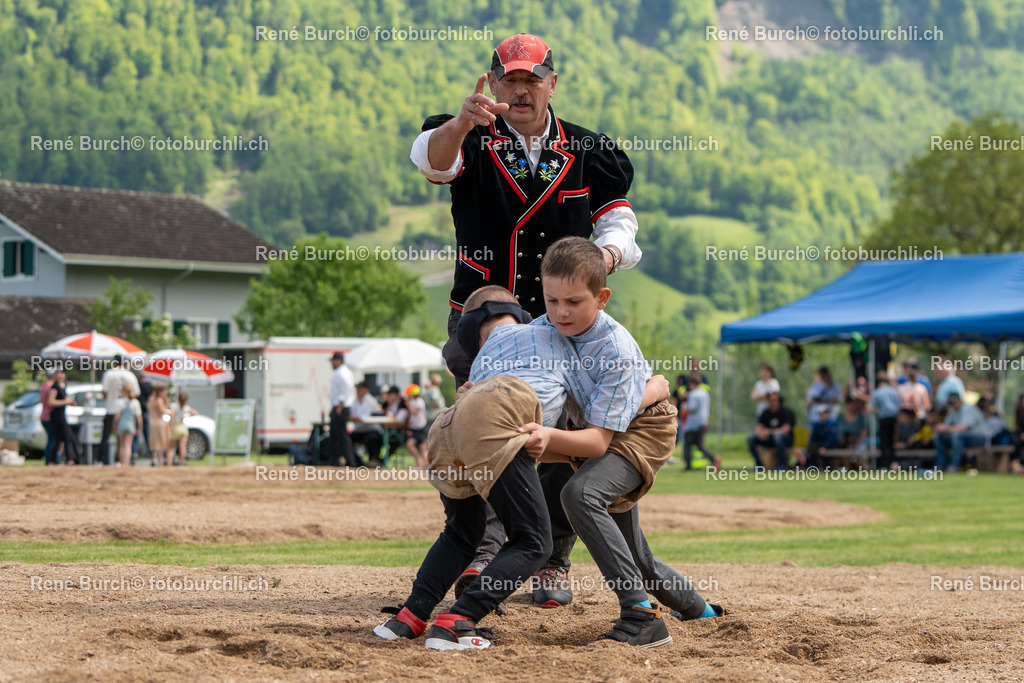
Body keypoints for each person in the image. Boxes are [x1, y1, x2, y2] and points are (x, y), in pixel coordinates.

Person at [413, 33, 643, 609]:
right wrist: (460, 123)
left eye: (531, 80)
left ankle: (552, 560)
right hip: (485, 315)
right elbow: (433, 164)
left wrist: (604, 257)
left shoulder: (588, 149)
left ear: (551, 84)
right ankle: (486, 552)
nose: (520, 90)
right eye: (509, 79)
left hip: (563, 318)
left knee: (560, 437)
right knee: (482, 429)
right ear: (493, 82)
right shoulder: (468, 134)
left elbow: (618, 221)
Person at [372, 287, 592, 650]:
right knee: (534, 541)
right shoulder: (552, 335)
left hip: (448, 425)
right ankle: (458, 621)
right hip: (497, 417)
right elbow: (585, 405)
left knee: (462, 532)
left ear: (470, 328)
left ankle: (408, 617)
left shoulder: (481, 358)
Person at [529, 237, 724, 646]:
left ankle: (641, 615)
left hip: (642, 430)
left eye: (574, 302)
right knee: (634, 556)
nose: (561, 312)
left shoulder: (615, 348)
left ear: (602, 298)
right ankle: (701, 610)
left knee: (581, 494)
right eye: (551, 300)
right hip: (597, 428)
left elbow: (597, 444)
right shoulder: (539, 331)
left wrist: (546, 437)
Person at [99, 356, 140, 465]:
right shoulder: (130, 375)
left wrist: (109, 398)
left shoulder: (109, 374)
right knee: (124, 440)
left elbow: (104, 391)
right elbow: (136, 393)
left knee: (106, 436)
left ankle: (100, 460)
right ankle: (120, 461)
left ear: (114, 363)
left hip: (111, 408)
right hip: (126, 411)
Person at [933, 393, 986, 472]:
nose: (953, 405)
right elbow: (946, 426)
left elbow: (963, 428)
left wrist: (946, 428)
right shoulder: (952, 411)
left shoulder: (969, 408)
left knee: (957, 435)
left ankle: (955, 465)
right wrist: (940, 428)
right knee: (939, 436)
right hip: (961, 437)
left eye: (954, 402)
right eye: (951, 403)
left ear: (960, 400)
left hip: (979, 437)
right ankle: (941, 465)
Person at [747, 391, 795, 470]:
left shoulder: (786, 412)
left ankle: (782, 465)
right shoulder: (765, 413)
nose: (773, 402)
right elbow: (758, 427)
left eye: (774, 400)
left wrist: (769, 432)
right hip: (769, 439)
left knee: (777, 437)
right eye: (770, 400)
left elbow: (786, 429)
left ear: (779, 400)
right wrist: (761, 433)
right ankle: (759, 465)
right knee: (751, 439)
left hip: (785, 439)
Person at [681, 375, 720, 471]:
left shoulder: (693, 394)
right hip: (703, 421)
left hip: (693, 423)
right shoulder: (705, 393)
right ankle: (714, 459)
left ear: (692, 384)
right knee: (699, 445)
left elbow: (692, 408)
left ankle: (688, 466)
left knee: (687, 445)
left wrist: (684, 407)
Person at [328, 352, 358, 468]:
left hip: (341, 407)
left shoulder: (343, 373)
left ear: (339, 361)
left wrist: (340, 406)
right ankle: (334, 460)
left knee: (342, 435)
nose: (332, 363)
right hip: (338, 406)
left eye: (333, 361)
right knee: (334, 434)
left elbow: (344, 391)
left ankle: (350, 461)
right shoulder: (339, 373)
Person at [47, 369, 80, 466]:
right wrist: (65, 402)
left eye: (62, 373)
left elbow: (64, 399)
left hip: (62, 415)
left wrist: (69, 402)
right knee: (67, 437)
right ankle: (70, 459)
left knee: (59, 439)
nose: (60, 375)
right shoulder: (55, 387)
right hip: (57, 416)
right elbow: (51, 402)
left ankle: (53, 460)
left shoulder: (64, 385)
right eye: (58, 373)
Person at [869, 373, 901, 469]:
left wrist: (877, 413)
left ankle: (884, 464)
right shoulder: (893, 390)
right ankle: (894, 463)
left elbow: (873, 407)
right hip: (893, 417)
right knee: (891, 441)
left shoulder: (877, 392)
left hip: (883, 418)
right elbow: (898, 404)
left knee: (884, 442)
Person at [349, 382, 384, 466]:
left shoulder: (370, 400)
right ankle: (356, 461)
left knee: (371, 438)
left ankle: (374, 460)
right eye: (357, 389)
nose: (358, 391)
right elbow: (352, 415)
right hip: (359, 430)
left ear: (366, 390)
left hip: (371, 430)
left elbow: (366, 417)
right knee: (346, 439)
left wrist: (356, 418)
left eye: (360, 388)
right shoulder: (355, 401)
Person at [113, 385, 143, 468]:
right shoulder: (135, 402)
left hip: (121, 425)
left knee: (121, 445)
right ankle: (126, 463)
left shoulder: (119, 402)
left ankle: (122, 463)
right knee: (128, 445)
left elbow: (117, 416)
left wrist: (114, 426)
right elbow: (139, 417)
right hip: (130, 425)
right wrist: (140, 427)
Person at [802, 405, 838, 470]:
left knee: (818, 451)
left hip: (828, 446)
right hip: (817, 445)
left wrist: (825, 446)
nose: (822, 415)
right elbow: (813, 437)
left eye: (824, 413)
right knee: (812, 449)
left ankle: (816, 466)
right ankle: (810, 466)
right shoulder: (817, 424)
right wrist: (810, 445)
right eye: (821, 414)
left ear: (827, 414)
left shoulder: (831, 424)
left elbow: (831, 439)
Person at [404, 384, 429, 468]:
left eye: (409, 394)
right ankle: (419, 463)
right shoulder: (413, 401)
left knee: (422, 447)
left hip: (421, 427)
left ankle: (426, 465)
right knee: (410, 445)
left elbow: (413, 411)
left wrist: (408, 404)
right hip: (415, 428)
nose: (408, 396)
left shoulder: (419, 401)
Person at [168, 392, 196, 466]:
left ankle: (169, 464)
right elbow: (195, 412)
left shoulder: (174, 406)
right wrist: (188, 415)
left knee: (171, 447)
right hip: (183, 428)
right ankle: (181, 463)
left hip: (175, 427)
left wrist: (170, 425)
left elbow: (171, 414)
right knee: (182, 447)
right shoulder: (186, 407)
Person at [148, 385, 171, 466]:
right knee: (161, 443)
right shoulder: (159, 400)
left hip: (152, 423)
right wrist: (167, 404)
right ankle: (161, 462)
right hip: (159, 423)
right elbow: (162, 411)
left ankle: (155, 460)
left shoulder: (151, 398)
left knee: (156, 443)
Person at [40, 370, 58, 466]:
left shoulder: (43, 386)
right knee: (52, 439)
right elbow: (51, 402)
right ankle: (50, 460)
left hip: (43, 414)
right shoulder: (51, 387)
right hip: (49, 415)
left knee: (50, 439)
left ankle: (48, 460)